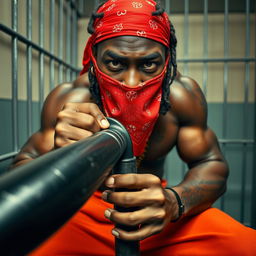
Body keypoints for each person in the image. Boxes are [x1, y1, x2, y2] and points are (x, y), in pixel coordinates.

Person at [10, 0, 256, 255]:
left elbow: (211, 164)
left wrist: (174, 202)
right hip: (81, 213)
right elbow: (23, 168)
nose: (131, 81)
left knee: (246, 244)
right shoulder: (69, 98)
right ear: (94, 58)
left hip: (154, 211)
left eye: (148, 64)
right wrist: (58, 155)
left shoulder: (183, 96)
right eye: (115, 63)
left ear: (167, 60)